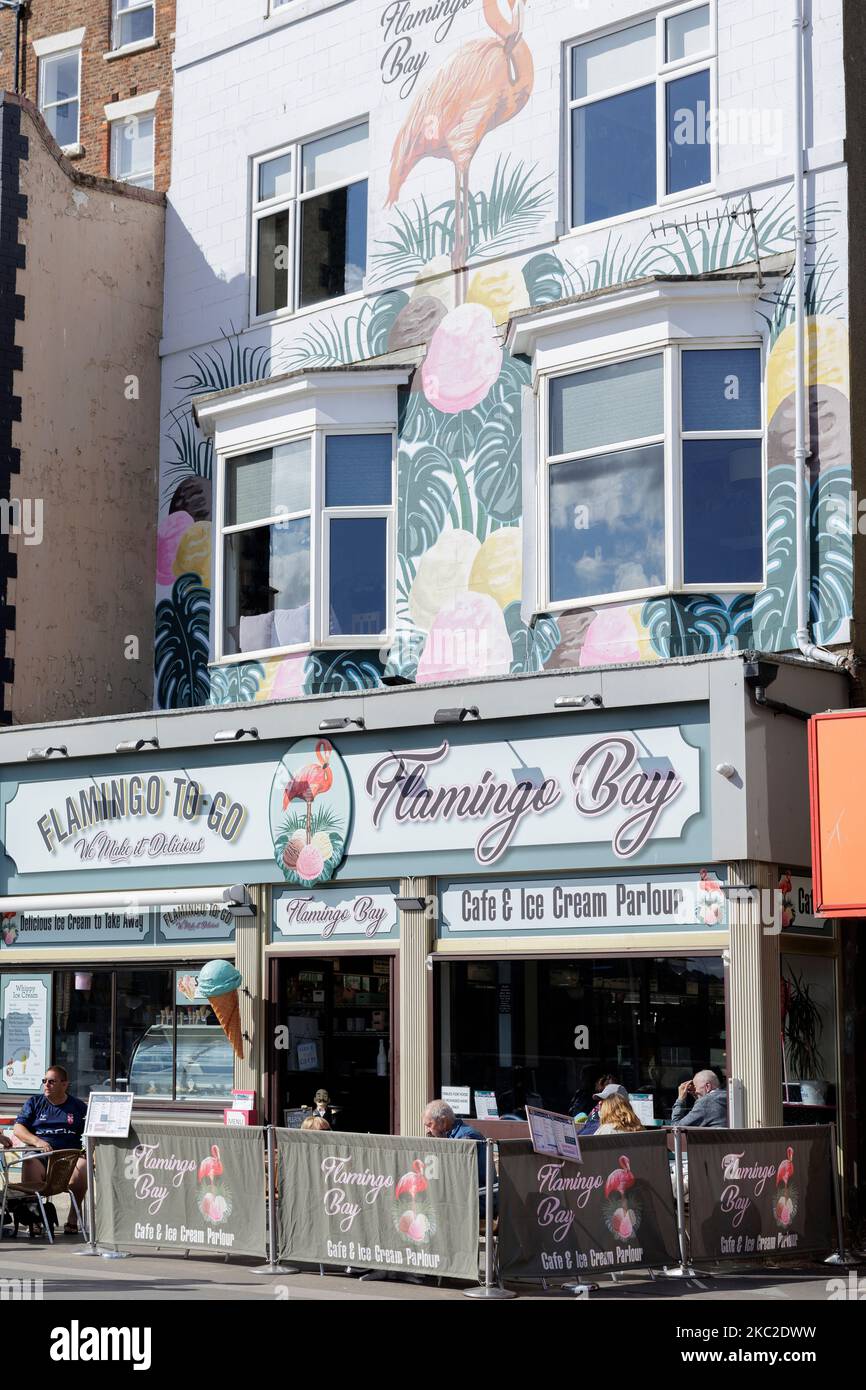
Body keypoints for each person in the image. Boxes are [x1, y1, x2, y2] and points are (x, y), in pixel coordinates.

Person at [12, 1065, 87, 1233]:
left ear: (64, 1084)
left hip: (69, 1157)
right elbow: (18, 1129)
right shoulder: (34, 1102)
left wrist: (92, 1153)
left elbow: (92, 1131)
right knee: (30, 1161)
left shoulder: (78, 1106)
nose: (46, 1085)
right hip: (41, 1155)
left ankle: (73, 1218)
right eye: (44, 1081)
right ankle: (35, 1218)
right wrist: (37, 1141)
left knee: (83, 1167)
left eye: (51, 1081)